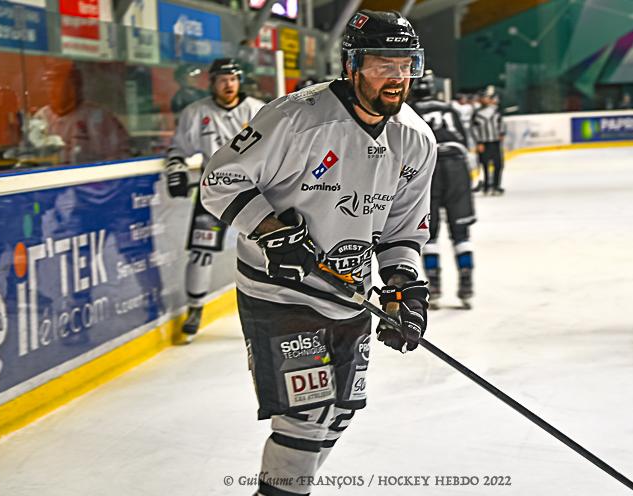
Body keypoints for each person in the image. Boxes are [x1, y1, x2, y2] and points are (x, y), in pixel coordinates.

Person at [200, 10, 435, 495]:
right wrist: (272, 233)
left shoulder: (415, 139)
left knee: (339, 412)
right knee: (307, 415)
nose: (397, 78)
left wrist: (403, 288)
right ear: (352, 65)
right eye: (382, 65)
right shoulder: (295, 118)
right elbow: (220, 182)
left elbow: (403, 229)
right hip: (279, 292)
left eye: (405, 65)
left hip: (349, 293)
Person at [165, 58, 264, 342]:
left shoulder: (258, 110)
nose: (228, 85)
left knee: (266, 250)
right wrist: (176, 168)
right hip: (214, 192)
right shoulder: (196, 113)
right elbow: (178, 149)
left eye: (233, 79)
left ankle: (269, 309)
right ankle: (195, 309)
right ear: (212, 83)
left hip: (256, 191)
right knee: (201, 251)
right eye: (222, 80)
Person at [410, 70, 476, 309]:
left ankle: (434, 286)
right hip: (457, 166)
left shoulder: (408, 111)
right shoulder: (449, 108)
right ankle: (466, 284)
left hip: (429, 168)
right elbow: (465, 141)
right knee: (461, 233)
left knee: (429, 233)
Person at [35, 61, 129, 165]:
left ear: (76, 87)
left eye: (59, 86)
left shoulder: (98, 117)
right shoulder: (42, 116)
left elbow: (121, 155)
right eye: (49, 86)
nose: (52, 91)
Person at [472, 85, 505, 195]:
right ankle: (486, 186)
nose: (486, 99)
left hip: (495, 141)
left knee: (498, 165)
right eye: (484, 97)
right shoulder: (477, 113)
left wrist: (501, 133)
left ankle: (496, 186)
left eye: (487, 97)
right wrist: (479, 142)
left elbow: (501, 123)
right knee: (485, 165)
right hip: (484, 143)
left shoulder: (495, 111)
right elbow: (474, 129)